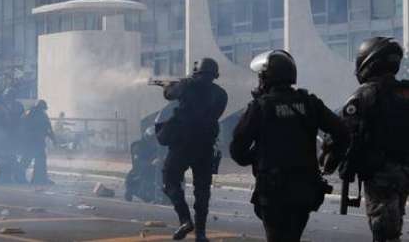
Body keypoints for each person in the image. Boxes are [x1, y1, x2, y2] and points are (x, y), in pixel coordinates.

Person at [230, 50, 349, 242]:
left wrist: (256, 155)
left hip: (273, 191)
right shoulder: (310, 103)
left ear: (265, 78)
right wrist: (329, 159)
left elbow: (237, 150)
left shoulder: (260, 107)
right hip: (305, 189)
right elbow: (342, 132)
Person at [337, 37, 409, 242]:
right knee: (393, 224)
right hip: (403, 171)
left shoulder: (365, 94)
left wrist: (335, 163)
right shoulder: (404, 92)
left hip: (380, 175)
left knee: (384, 231)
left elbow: (344, 132)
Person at [160, 58, 228, 241]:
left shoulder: (186, 85)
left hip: (183, 145)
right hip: (205, 146)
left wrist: (168, 86)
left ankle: (184, 220)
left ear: (196, 72)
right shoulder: (221, 94)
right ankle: (201, 234)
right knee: (202, 192)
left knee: (169, 181)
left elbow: (169, 95)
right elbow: (215, 115)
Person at [20, 99, 56, 185]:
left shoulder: (33, 114)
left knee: (39, 159)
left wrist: (53, 138)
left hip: (36, 141)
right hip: (32, 141)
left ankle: (40, 178)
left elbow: (48, 128)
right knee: (28, 159)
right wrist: (53, 138)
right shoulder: (34, 114)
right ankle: (19, 176)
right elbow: (48, 128)